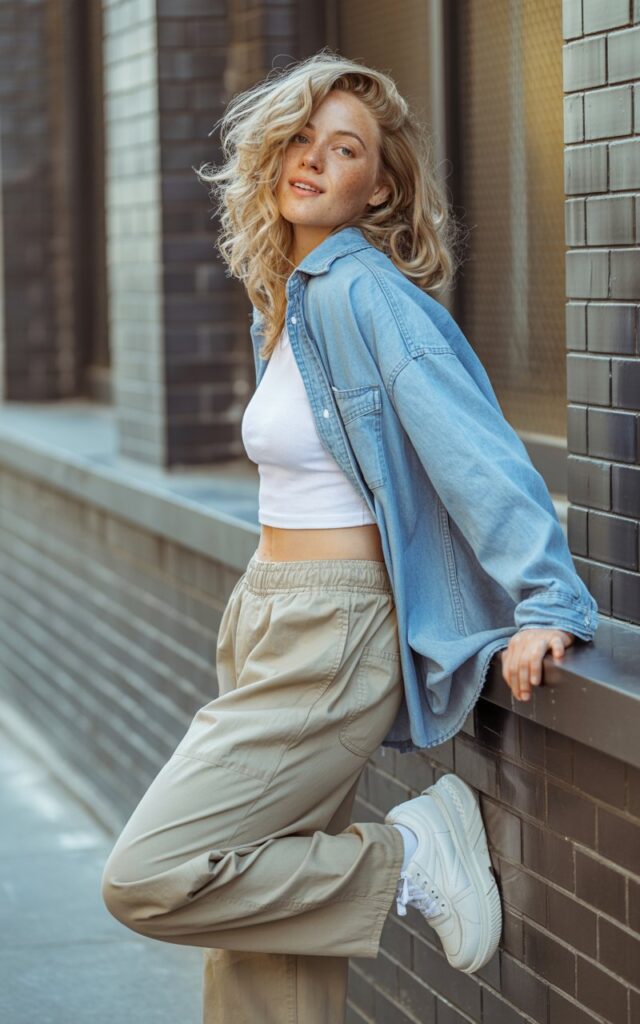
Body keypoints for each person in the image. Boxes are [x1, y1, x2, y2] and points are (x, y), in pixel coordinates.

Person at [101, 50, 599, 1023]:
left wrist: (548, 600)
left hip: (331, 634)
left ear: (379, 184)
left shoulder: (362, 294)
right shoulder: (287, 300)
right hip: (269, 613)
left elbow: (475, 449)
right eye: (300, 137)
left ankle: (412, 853)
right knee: (264, 939)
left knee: (157, 870)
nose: (314, 160)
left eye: (346, 149)